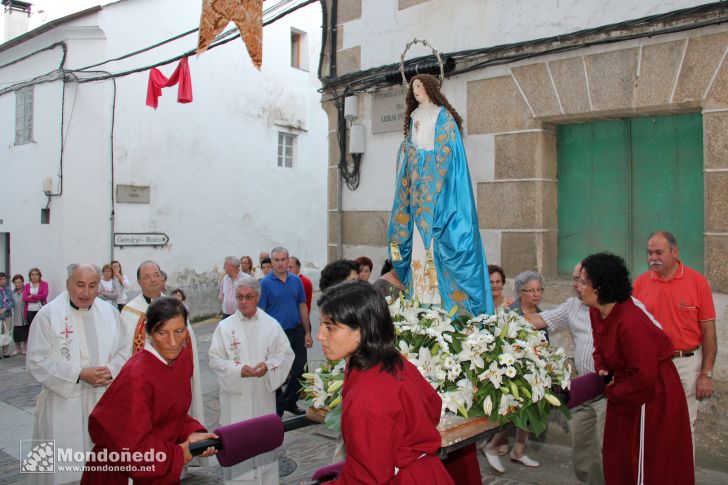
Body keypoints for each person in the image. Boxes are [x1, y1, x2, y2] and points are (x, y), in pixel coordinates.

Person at [317, 281, 454, 484]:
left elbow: (367, 478)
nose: (320, 335)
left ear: (361, 331)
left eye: (330, 327)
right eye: (321, 324)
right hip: (428, 472)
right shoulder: (388, 358)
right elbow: (432, 405)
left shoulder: (365, 397)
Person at [578, 252, 694, 485]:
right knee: (617, 456)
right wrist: (603, 371)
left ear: (599, 288)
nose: (577, 286)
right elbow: (600, 347)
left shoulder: (629, 322)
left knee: (646, 461)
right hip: (625, 390)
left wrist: (611, 390)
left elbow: (644, 377)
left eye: (582, 282)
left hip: (651, 398)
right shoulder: (596, 310)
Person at [387, 73, 493, 316]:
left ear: (430, 88)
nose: (416, 90)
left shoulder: (443, 116)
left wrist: (419, 158)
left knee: (438, 246)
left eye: (420, 86)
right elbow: (411, 148)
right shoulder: (414, 115)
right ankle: (420, 300)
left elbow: (446, 152)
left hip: (439, 197)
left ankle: (444, 305)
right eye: (413, 86)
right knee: (416, 246)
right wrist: (409, 154)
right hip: (418, 196)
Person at [82, 297, 217, 484]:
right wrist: (179, 454)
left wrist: (192, 433)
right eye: (163, 333)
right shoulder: (136, 375)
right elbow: (132, 449)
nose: (173, 342)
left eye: (179, 332)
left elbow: (171, 413)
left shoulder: (181, 359)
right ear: (149, 333)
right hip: (123, 471)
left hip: (157, 465)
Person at [27, 263, 127, 484]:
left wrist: (110, 371)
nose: (86, 292)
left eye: (92, 286)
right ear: (67, 284)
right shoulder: (48, 315)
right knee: (63, 469)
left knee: (102, 469)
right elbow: (35, 360)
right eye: (80, 285)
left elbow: (125, 350)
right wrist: (79, 373)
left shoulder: (109, 313)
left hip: (102, 401)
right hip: (62, 403)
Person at [526, 263, 606, 485]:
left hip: (609, 391)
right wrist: (508, 317)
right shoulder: (573, 305)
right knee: (581, 452)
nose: (575, 285)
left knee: (602, 450)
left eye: (580, 280)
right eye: (574, 279)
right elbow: (540, 320)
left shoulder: (620, 305)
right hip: (584, 390)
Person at [632, 231, 716, 440]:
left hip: (686, 364)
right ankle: (656, 474)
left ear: (675, 252)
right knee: (652, 427)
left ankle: (683, 474)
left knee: (683, 429)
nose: (653, 258)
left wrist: (706, 374)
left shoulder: (698, 282)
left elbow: (708, 332)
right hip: (652, 365)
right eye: (650, 253)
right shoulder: (640, 284)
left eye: (659, 252)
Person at [209, 278, 294, 483]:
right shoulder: (225, 327)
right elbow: (214, 359)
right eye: (239, 297)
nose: (243, 302)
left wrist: (269, 366)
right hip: (236, 400)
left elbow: (285, 355)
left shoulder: (271, 325)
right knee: (239, 445)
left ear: (258, 297)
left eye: (248, 297)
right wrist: (237, 371)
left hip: (262, 397)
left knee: (262, 446)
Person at [120, 261, 206, 430]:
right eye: (147, 276)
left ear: (162, 278)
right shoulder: (130, 312)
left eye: (156, 275)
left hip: (175, 378)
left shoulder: (175, 307)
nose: (153, 280)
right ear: (139, 282)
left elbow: (188, 342)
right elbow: (124, 350)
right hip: (146, 382)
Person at [483, 270, 543, 472]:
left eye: (539, 290)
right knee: (516, 411)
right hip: (513, 370)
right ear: (520, 291)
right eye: (531, 290)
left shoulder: (540, 312)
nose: (536, 294)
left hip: (535, 370)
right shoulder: (511, 312)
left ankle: (518, 450)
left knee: (531, 409)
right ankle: (492, 446)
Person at [259, 247, 312, 416]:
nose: (280, 263)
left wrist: (308, 332)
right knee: (277, 373)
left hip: (296, 332)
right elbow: (261, 314)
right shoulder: (265, 284)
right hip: (276, 335)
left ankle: (287, 403)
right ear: (271, 261)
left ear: (288, 260)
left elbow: (302, 306)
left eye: (283, 259)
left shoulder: (296, 281)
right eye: (276, 260)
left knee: (300, 370)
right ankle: (279, 407)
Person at [11, 275, 26, 356]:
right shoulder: (12, 293)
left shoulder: (26, 291)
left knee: (25, 332)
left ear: (22, 282)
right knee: (16, 333)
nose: (17, 284)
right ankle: (17, 349)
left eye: (19, 282)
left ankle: (24, 349)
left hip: (25, 315)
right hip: (16, 315)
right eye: (15, 283)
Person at [0, 273, 13, 357]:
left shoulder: (8, 290)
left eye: (4, 279)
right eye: (1, 279)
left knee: (6, 332)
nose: (3, 281)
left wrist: (6, 308)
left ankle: (5, 352)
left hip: (7, 314)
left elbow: (12, 301)